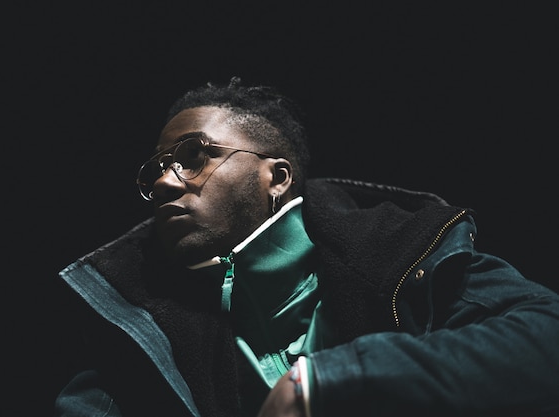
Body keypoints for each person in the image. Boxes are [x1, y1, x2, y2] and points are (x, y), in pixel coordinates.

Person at [53, 76, 559, 417]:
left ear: (276, 177)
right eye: (158, 169)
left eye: (192, 156)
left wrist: (332, 381)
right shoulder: (135, 325)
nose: (164, 182)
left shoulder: (402, 250)